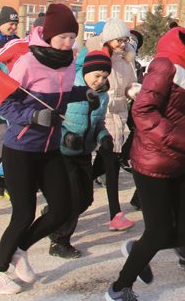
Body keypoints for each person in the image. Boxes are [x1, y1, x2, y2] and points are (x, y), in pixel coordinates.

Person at [105, 0, 185, 301]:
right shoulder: (166, 63)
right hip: (153, 161)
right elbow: (143, 112)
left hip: (182, 159)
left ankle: (139, 251)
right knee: (158, 232)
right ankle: (118, 289)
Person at [0, 4, 79, 294]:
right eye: (63, 37)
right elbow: (4, 101)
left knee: (62, 208)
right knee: (23, 213)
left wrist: (87, 93)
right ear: (48, 35)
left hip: (50, 148)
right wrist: (32, 116)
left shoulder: (69, 62)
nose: (68, 43)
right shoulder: (28, 62)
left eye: (72, 37)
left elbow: (63, 96)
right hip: (20, 147)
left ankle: (18, 250)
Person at [49, 50, 115, 259]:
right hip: (63, 152)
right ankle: (60, 241)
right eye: (96, 76)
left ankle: (51, 217)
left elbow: (99, 123)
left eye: (104, 77)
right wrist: (66, 136)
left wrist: (104, 137)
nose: (99, 81)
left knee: (85, 199)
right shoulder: (70, 87)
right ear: (85, 71)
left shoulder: (102, 95)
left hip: (85, 151)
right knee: (73, 197)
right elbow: (54, 120)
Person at [90, 18, 137, 232]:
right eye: (119, 40)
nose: (123, 43)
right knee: (111, 163)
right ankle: (115, 214)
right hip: (104, 114)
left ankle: (67, 194)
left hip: (120, 115)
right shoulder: (100, 59)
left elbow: (128, 85)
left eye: (125, 39)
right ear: (108, 40)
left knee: (101, 164)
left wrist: (134, 91)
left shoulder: (126, 60)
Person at [0, 6, 19, 199]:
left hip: (10, 95)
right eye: (10, 23)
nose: (13, 27)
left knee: (8, 139)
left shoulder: (16, 42)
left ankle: (5, 181)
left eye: (15, 24)